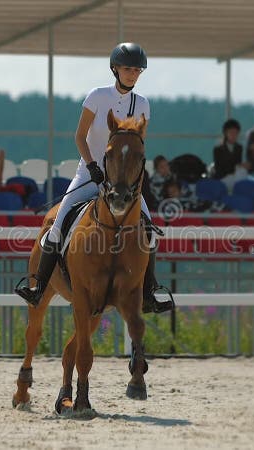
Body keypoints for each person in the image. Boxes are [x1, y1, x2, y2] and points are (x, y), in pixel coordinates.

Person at [15, 42, 171, 314]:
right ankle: (38, 286)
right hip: (89, 175)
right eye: (127, 69)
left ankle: (148, 292)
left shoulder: (143, 104)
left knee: (149, 230)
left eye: (137, 70)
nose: (132, 74)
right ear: (115, 69)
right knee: (58, 224)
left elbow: (138, 149)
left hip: (122, 183)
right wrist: (91, 165)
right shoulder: (97, 97)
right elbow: (79, 136)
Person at [213, 118, 249, 192]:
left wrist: (242, 166)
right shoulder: (218, 149)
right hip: (223, 178)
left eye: (236, 133)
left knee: (242, 171)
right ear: (226, 133)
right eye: (231, 133)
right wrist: (236, 167)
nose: (234, 135)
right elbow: (218, 168)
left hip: (236, 176)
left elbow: (239, 163)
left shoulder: (239, 148)